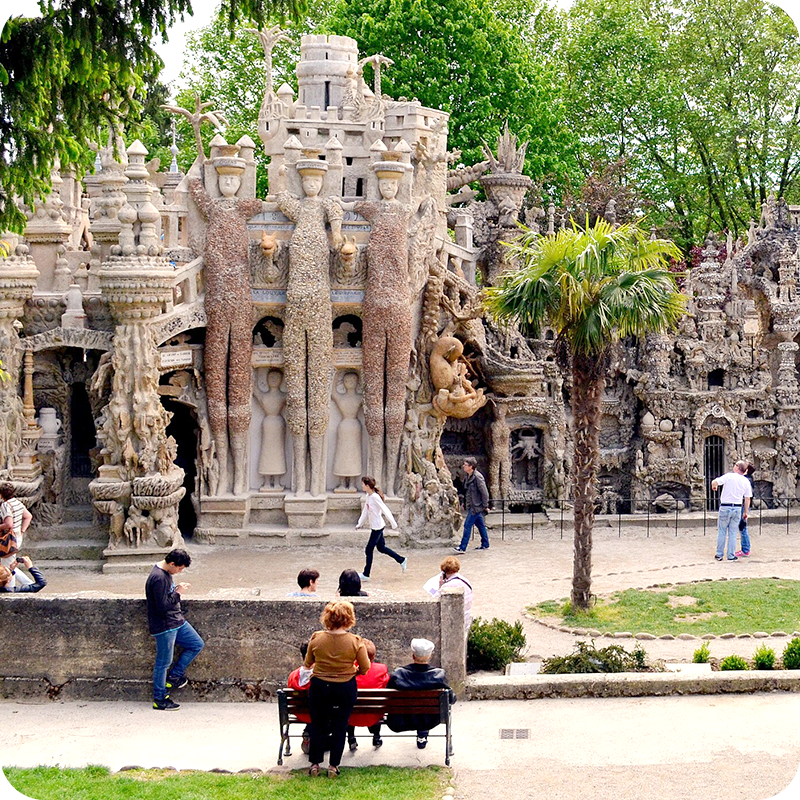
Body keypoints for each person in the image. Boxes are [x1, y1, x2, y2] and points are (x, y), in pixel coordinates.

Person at [304, 600, 370, 777]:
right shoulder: (356, 641)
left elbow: (308, 663)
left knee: (318, 724)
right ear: (349, 619)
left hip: (320, 686)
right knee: (341, 724)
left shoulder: (317, 638)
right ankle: (333, 766)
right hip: (345, 687)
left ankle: (315, 764)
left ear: (327, 618)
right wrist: (353, 672)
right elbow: (365, 667)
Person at [145, 548, 205, 711]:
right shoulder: (158, 578)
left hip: (176, 621)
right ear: (172, 563)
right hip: (165, 626)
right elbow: (163, 606)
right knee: (163, 663)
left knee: (196, 644)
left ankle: (174, 677)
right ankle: (160, 699)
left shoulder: (165, 574)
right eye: (179, 568)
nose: (179, 571)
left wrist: (176, 588)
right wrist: (178, 592)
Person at [386, 638, 456, 750]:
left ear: (413, 656)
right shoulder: (439, 676)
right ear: (429, 656)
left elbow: (387, 697)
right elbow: (451, 699)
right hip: (429, 720)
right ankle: (422, 735)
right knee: (424, 711)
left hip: (402, 720)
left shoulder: (398, 674)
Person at [356, 475, 406, 581]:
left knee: (369, 549)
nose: (362, 486)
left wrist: (393, 524)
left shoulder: (375, 497)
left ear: (368, 486)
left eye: (363, 484)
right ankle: (401, 560)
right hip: (376, 526)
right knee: (381, 548)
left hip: (377, 527)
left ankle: (366, 574)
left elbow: (385, 509)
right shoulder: (368, 497)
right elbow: (365, 511)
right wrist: (360, 524)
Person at [346, 638, 389, 751]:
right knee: (377, 704)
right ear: (373, 656)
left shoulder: (348, 670)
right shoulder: (381, 669)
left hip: (351, 717)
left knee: (349, 705)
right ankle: (376, 736)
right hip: (373, 716)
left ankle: (351, 738)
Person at [711, 460, 752, 562]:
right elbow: (747, 498)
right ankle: (730, 555)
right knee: (733, 532)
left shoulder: (729, 476)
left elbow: (715, 481)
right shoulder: (746, 481)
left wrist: (714, 486)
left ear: (737, 467)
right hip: (737, 508)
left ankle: (719, 554)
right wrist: (745, 512)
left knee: (722, 531)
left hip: (725, 506)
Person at [0, 482, 33, 589]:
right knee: (10, 563)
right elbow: (28, 516)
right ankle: (29, 583)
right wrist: (22, 530)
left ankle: (10, 588)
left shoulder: (6, 505)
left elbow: (8, 524)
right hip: (17, 537)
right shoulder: (17, 503)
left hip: (9, 540)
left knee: (7, 567)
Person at [454, 457, 490, 553]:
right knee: (480, 525)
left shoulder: (477, 477)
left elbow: (484, 492)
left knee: (467, 525)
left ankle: (462, 547)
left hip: (476, 506)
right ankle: (485, 543)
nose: (463, 466)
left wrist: (485, 505)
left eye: (465, 465)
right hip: (473, 505)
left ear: (471, 466)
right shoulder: (468, 476)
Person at [434, 556, 473, 634]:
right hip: (466, 617)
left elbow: (435, 600)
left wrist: (440, 586)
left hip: (455, 623)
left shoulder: (447, 586)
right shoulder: (465, 580)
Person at [287, 643, 314, 754]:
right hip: (318, 714)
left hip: (299, 713)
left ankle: (309, 733)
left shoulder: (293, 675)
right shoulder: (320, 676)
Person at [736, 463, 755, 558]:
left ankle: (745, 549)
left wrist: (745, 511)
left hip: (744, 506)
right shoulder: (749, 479)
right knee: (742, 527)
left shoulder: (746, 480)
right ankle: (745, 548)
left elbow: (747, 496)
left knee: (742, 527)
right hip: (745, 505)